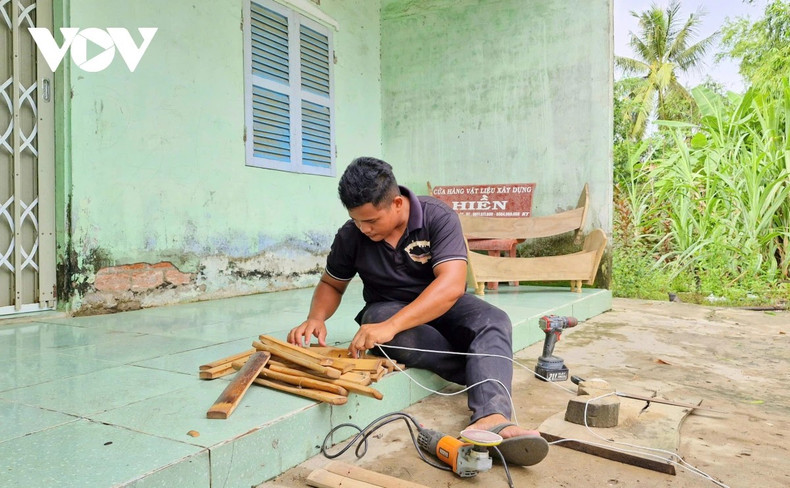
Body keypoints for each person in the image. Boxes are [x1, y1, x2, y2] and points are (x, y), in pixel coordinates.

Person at [287, 156, 548, 466]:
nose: (364, 228)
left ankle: (491, 417)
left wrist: (393, 324)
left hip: (440, 302)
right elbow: (332, 284)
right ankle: (482, 370)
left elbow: (451, 286)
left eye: (371, 221)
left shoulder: (437, 216)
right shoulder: (350, 235)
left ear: (397, 203)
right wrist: (316, 318)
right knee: (386, 329)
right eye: (357, 220)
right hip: (388, 307)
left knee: (494, 320)